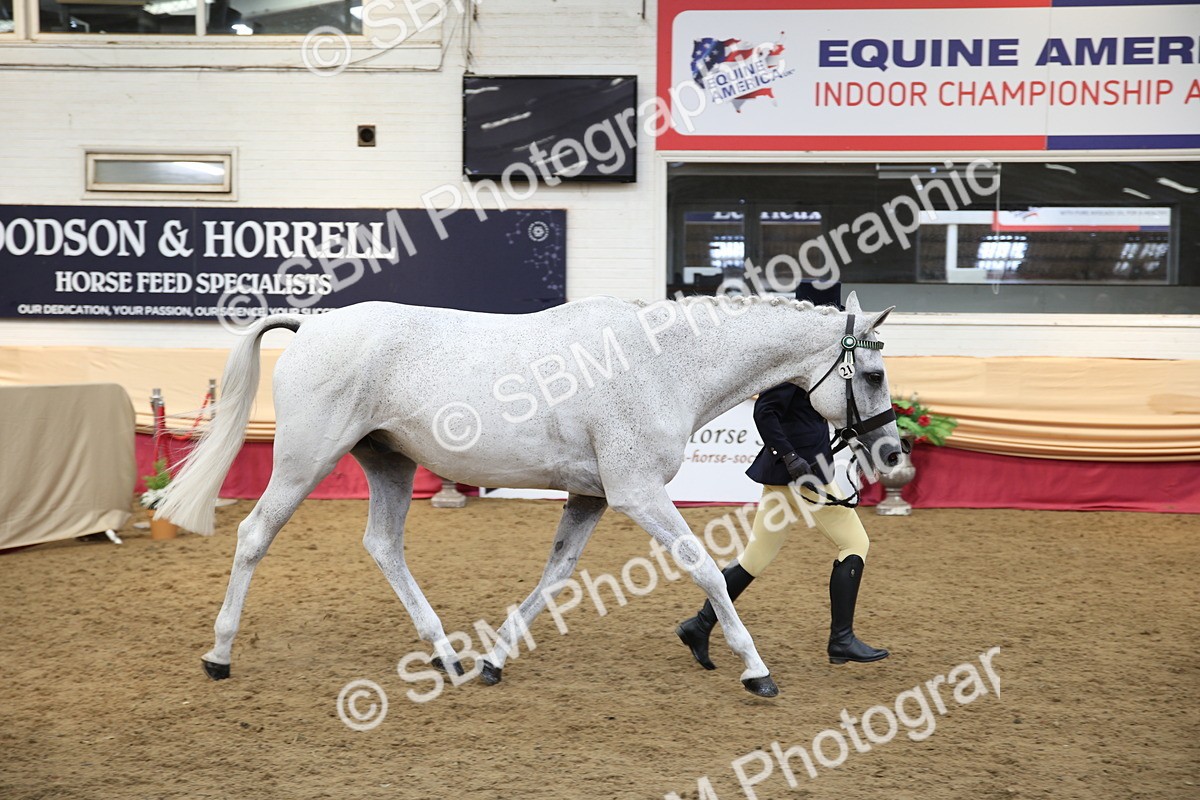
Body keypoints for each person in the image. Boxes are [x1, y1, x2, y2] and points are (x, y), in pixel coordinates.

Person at [675, 283, 889, 669]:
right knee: (855, 542)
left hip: (793, 472)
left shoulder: (816, 357)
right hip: (801, 472)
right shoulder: (796, 361)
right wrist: (791, 458)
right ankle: (841, 639)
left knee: (756, 557)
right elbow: (765, 413)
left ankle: (700, 623)